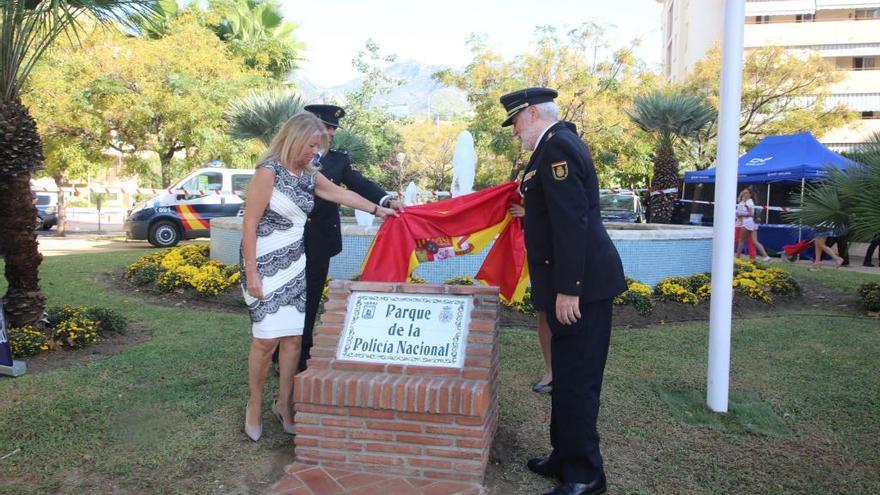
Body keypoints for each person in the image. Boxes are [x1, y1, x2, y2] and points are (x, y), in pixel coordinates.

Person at [240, 112, 396, 442]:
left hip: (295, 262)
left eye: (318, 145)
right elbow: (249, 223)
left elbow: (343, 195)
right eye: (311, 144)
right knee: (266, 341)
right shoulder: (267, 173)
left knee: (295, 340)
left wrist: (378, 210)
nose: (315, 151)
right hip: (264, 265)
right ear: (295, 139)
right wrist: (252, 272)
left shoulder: (310, 175)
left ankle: (284, 405)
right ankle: (254, 405)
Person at [501, 87, 626, 495]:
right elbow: (550, 216)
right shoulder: (550, 148)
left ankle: (586, 474)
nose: (515, 130)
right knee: (565, 372)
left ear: (533, 114)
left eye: (517, 121)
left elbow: (572, 223)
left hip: (582, 288)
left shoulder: (558, 149)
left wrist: (569, 289)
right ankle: (564, 454)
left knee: (578, 378)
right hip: (569, 283)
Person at [271, 104, 403, 374]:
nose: (330, 132)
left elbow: (358, 184)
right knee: (284, 298)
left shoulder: (338, 160)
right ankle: (276, 352)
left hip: (319, 240)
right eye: (325, 127)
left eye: (332, 128)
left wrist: (385, 200)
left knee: (311, 298)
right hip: (287, 240)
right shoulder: (285, 157)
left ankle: (301, 354)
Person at [508, 201, 552, 393]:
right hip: (541, 259)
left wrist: (529, 213)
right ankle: (551, 372)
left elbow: (569, 213)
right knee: (544, 316)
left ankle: (568, 372)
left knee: (567, 318)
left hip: (563, 258)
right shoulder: (533, 172)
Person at [735, 188, 771, 262]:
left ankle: (737, 257)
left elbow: (751, 213)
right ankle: (766, 257)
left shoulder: (749, 203)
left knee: (741, 241)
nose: (744, 194)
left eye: (746, 193)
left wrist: (740, 214)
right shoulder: (746, 201)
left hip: (747, 223)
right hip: (752, 223)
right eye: (744, 192)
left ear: (750, 194)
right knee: (754, 241)